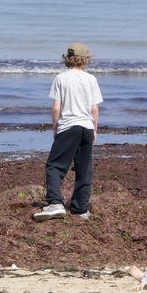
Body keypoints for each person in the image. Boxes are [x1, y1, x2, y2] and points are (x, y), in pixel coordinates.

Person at [33, 42, 104, 222]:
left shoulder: (61, 78)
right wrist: (94, 129)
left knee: (55, 166)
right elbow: (94, 109)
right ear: (85, 59)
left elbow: (56, 108)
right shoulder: (91, 79)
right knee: (84, 168)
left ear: (68, 58)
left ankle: (56, 202)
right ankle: (80, 209)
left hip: (68, 126)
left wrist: (55, 128)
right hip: (86, 126)